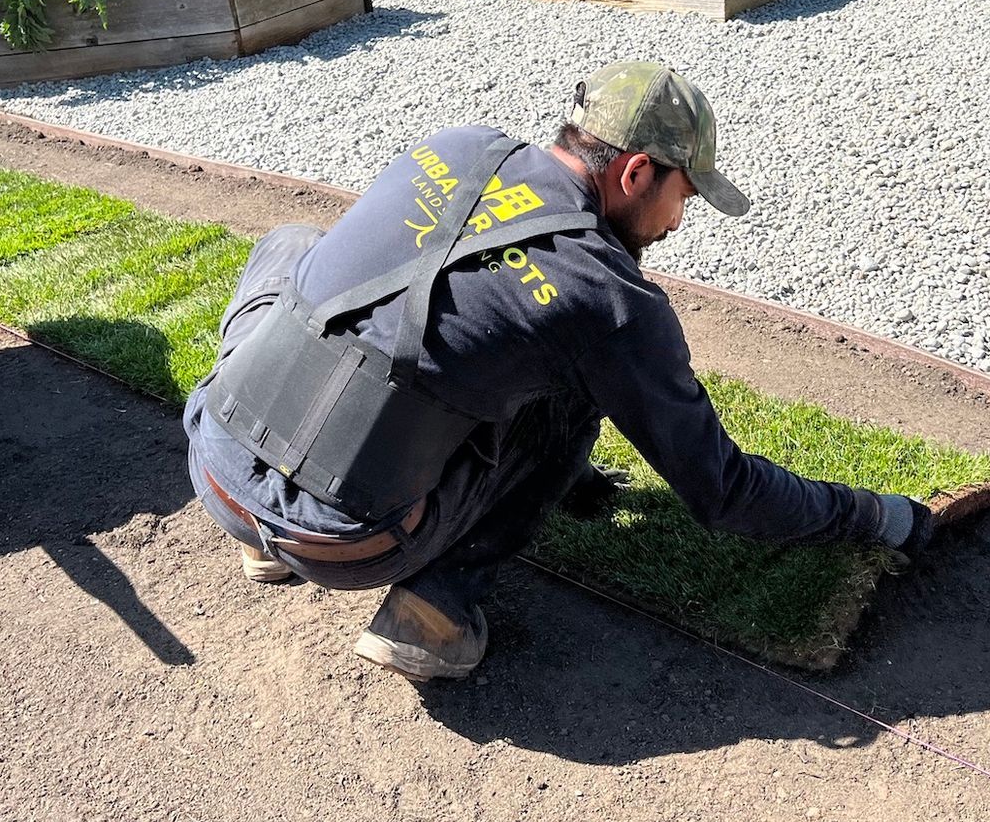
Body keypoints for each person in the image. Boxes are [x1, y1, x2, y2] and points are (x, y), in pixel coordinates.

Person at [184, 60, 932, 681]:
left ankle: (255, 536)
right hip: (342, 541)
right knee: (574, 399)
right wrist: (879, 516)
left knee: (294, 242)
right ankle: (434, 610)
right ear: (637, 171)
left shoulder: (459, 145)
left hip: (212, 463)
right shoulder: (608, 300)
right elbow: (725, 492)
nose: (678, 221)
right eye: (684, 196)